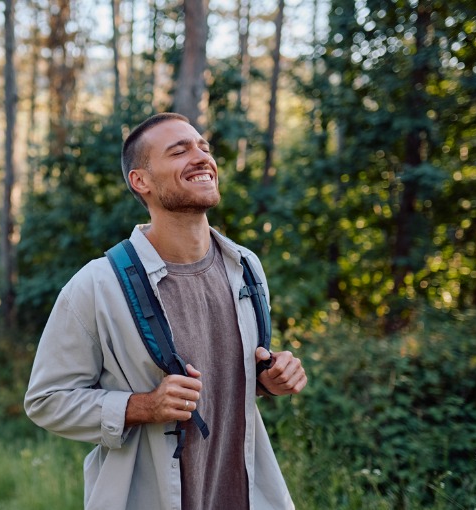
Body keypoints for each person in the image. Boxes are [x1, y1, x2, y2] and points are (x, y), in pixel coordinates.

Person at [24, 112, 308, 510]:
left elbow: (227, 377)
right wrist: (143, 406)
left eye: (203, 147)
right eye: (179, 151)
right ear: (141, 181)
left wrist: (268, 378)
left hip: (244, 496)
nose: (201, 157)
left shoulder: (246, 267)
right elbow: (46, 400)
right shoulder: (96, 285)